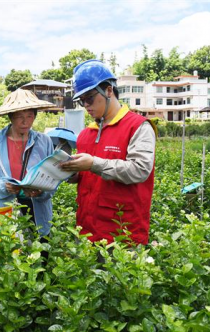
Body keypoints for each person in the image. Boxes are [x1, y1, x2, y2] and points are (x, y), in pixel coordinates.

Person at [60, 59, 156, 245]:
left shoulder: (137, 126)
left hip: (122, 235)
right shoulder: (86, 134)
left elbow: (140, 169)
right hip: (87, 231)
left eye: (89, 98)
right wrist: (70, 172)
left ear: (109, 91)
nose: (86, 105)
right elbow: (85, 177)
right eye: (82, 101)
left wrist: (94, 163)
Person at [0, 88, 59, 237]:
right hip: (5, 213)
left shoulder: (44, 141)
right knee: (9, 254)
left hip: (38, 213)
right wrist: (5, 186)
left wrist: (41, 191)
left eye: (30, 116)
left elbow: (53, 181)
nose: (25, 121)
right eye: (19, 116)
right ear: (10, 117)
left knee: (40, 255)